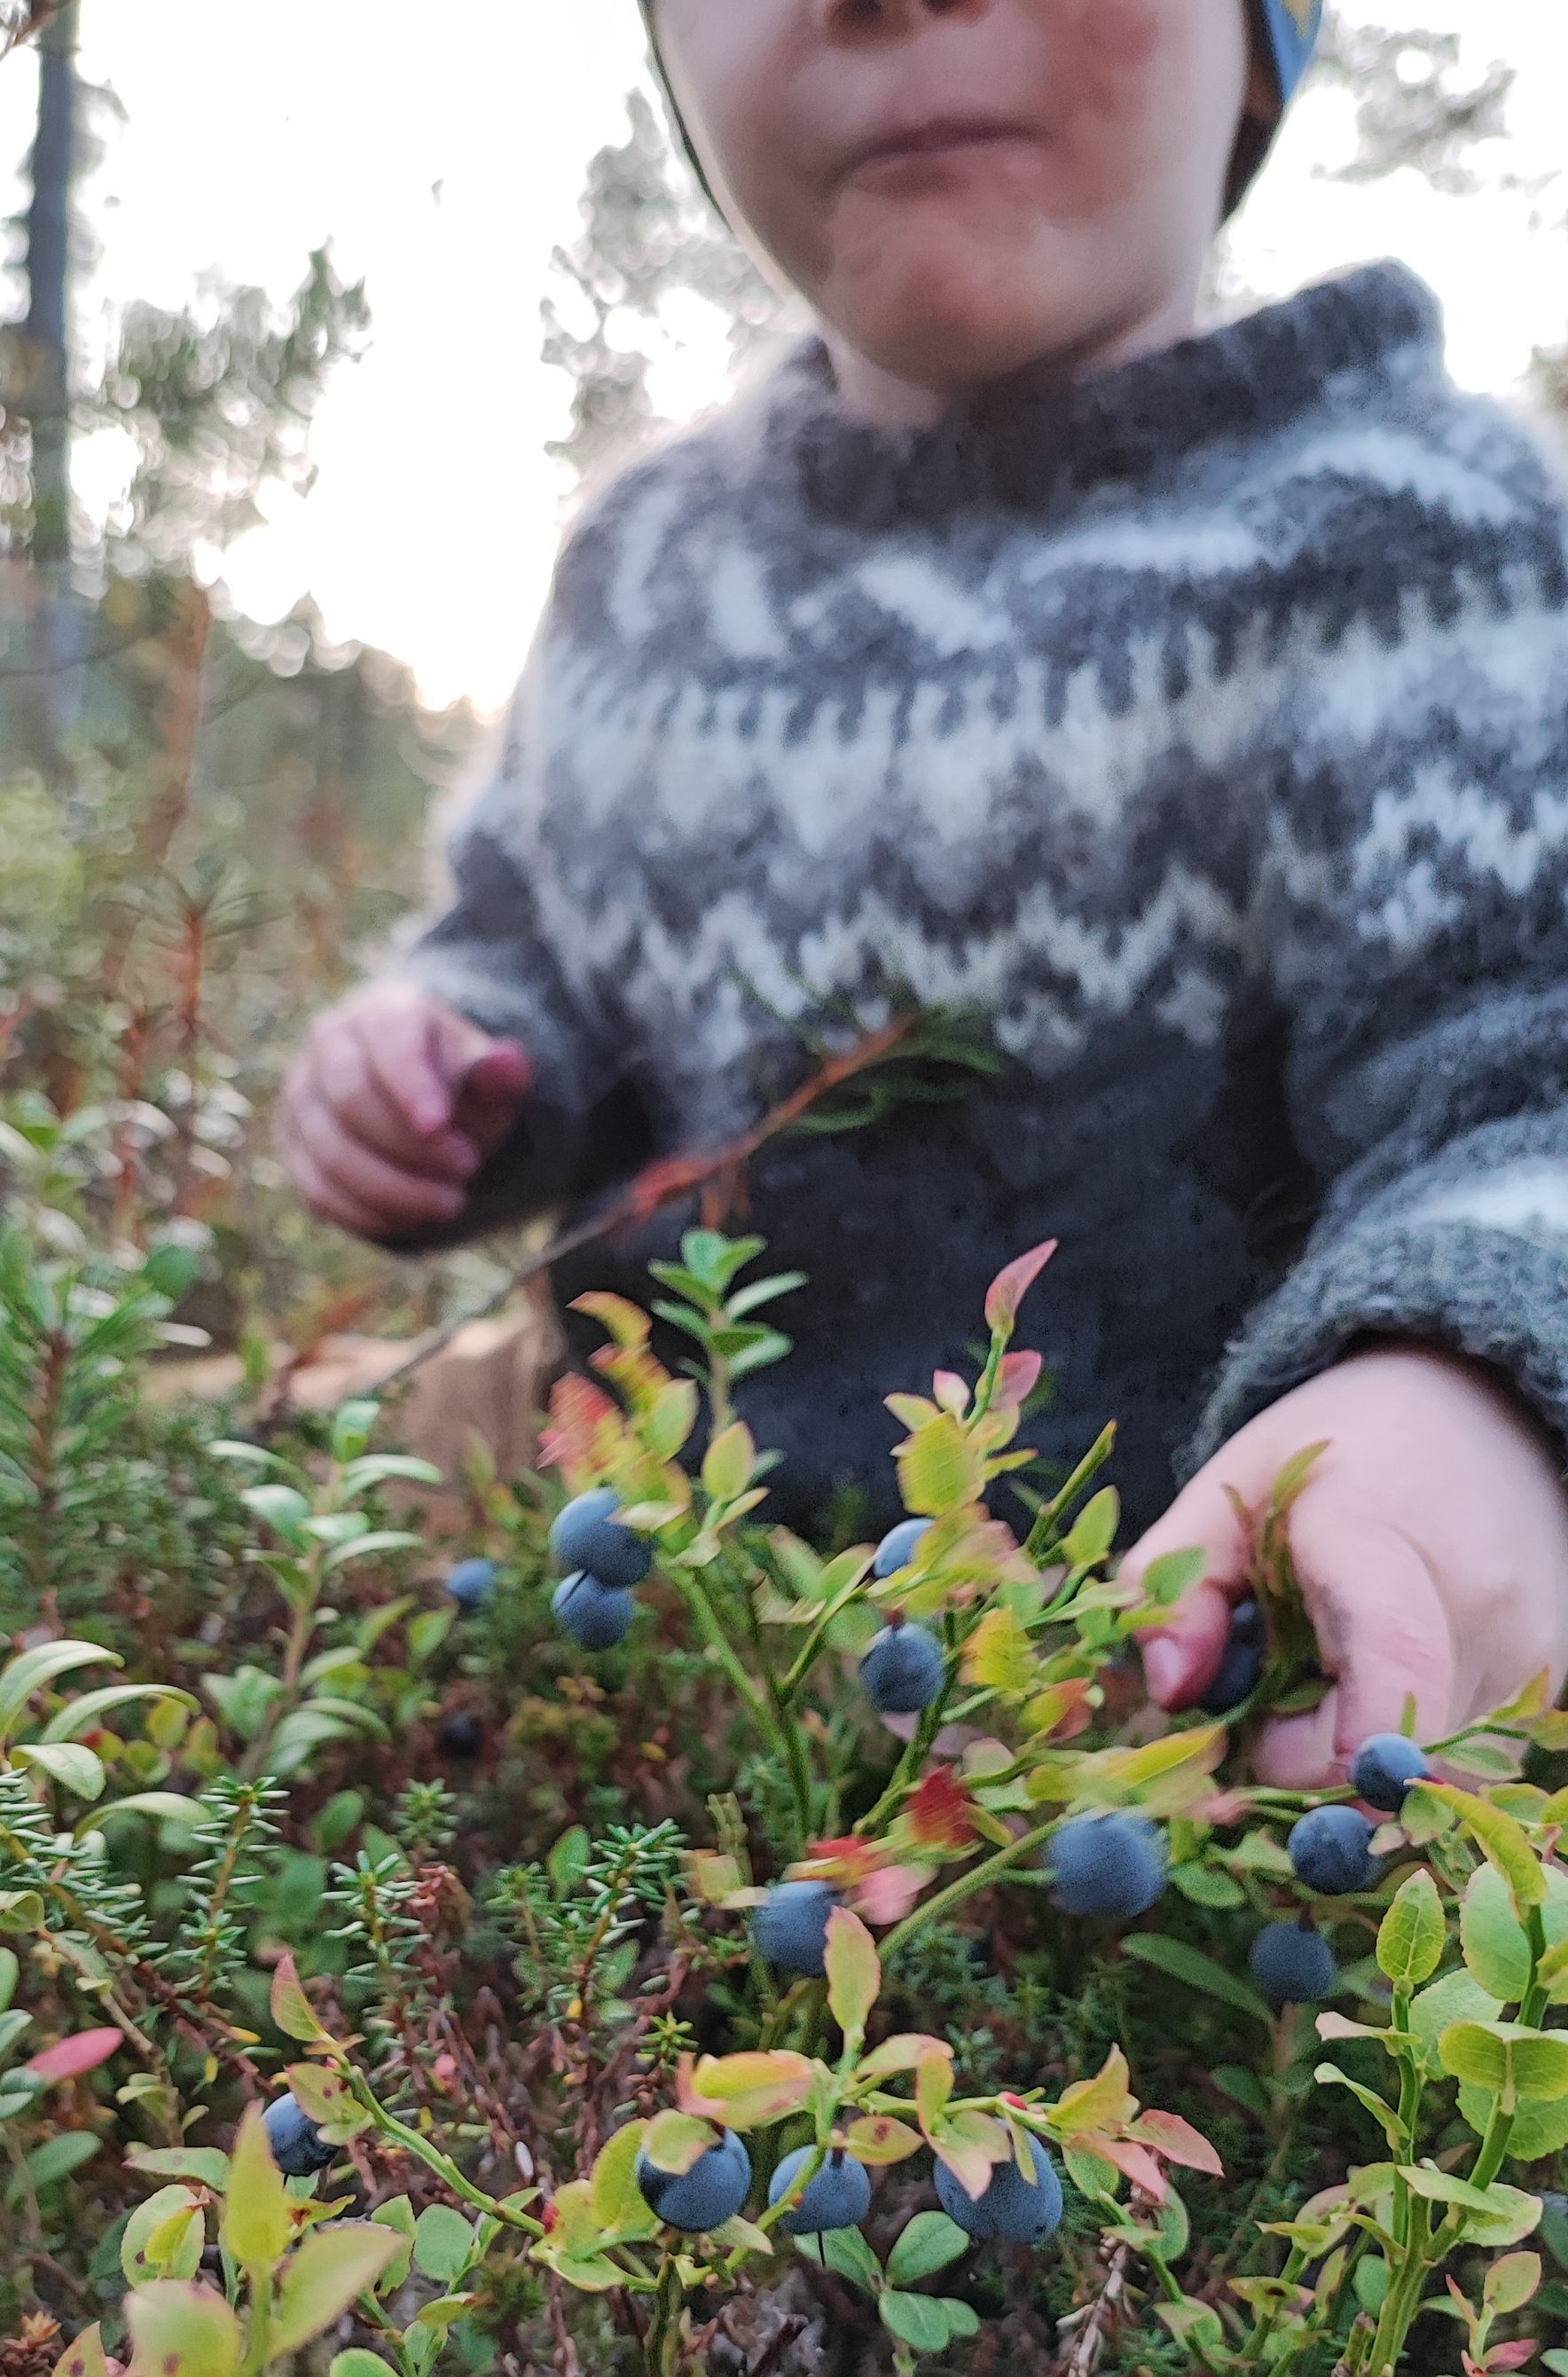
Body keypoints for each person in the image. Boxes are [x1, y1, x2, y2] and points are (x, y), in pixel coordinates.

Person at [277, 0, 1568, 1788]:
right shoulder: (644, 574)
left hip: (1138, 1725)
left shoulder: (1414, 553)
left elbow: (1522, 1103)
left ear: (1260, 48)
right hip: (649, 1647)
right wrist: (447, 1062)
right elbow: (529, 954)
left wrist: (1453, 1395)